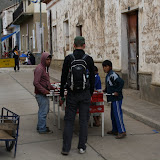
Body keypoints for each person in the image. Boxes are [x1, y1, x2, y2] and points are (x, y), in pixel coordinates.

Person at [60, 36, 95, 155]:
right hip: (85, 94)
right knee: (84, 121)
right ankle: (82, 147)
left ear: (73, 45)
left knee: (69, 120)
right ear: (84, 45)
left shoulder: (68, 59)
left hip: (72, 94)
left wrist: (61, 94)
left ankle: (66, 148)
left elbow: (63, 77)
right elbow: (93, 79)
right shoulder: (88, 59)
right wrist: (90, 93)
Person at [102, 60, 126, 139]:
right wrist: (106, 89)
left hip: (116, 98)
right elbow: (111, 84)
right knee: (113, 115)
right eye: (103, 67)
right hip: (112, 98)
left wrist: (117, 91)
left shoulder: (113, 74)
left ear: (110, 67)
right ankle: (115, 130)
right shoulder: (108, 75)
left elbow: (121, 82)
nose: (104, 68)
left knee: (118, 115)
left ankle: (122, 131)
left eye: (106, 66)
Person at [33, 52, 55, 134]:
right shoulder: (40, 69)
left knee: (43, 111)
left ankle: (40, 126)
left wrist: (52, 87)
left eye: (50, 59)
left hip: (44, 94)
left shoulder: (45, 68)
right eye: (47, 59)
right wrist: (44, 90)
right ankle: (42, 129)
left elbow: (46, 81)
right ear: (43, 60)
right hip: (41, 94)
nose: (49, 61)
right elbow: (36, 82)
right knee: (43, 112)